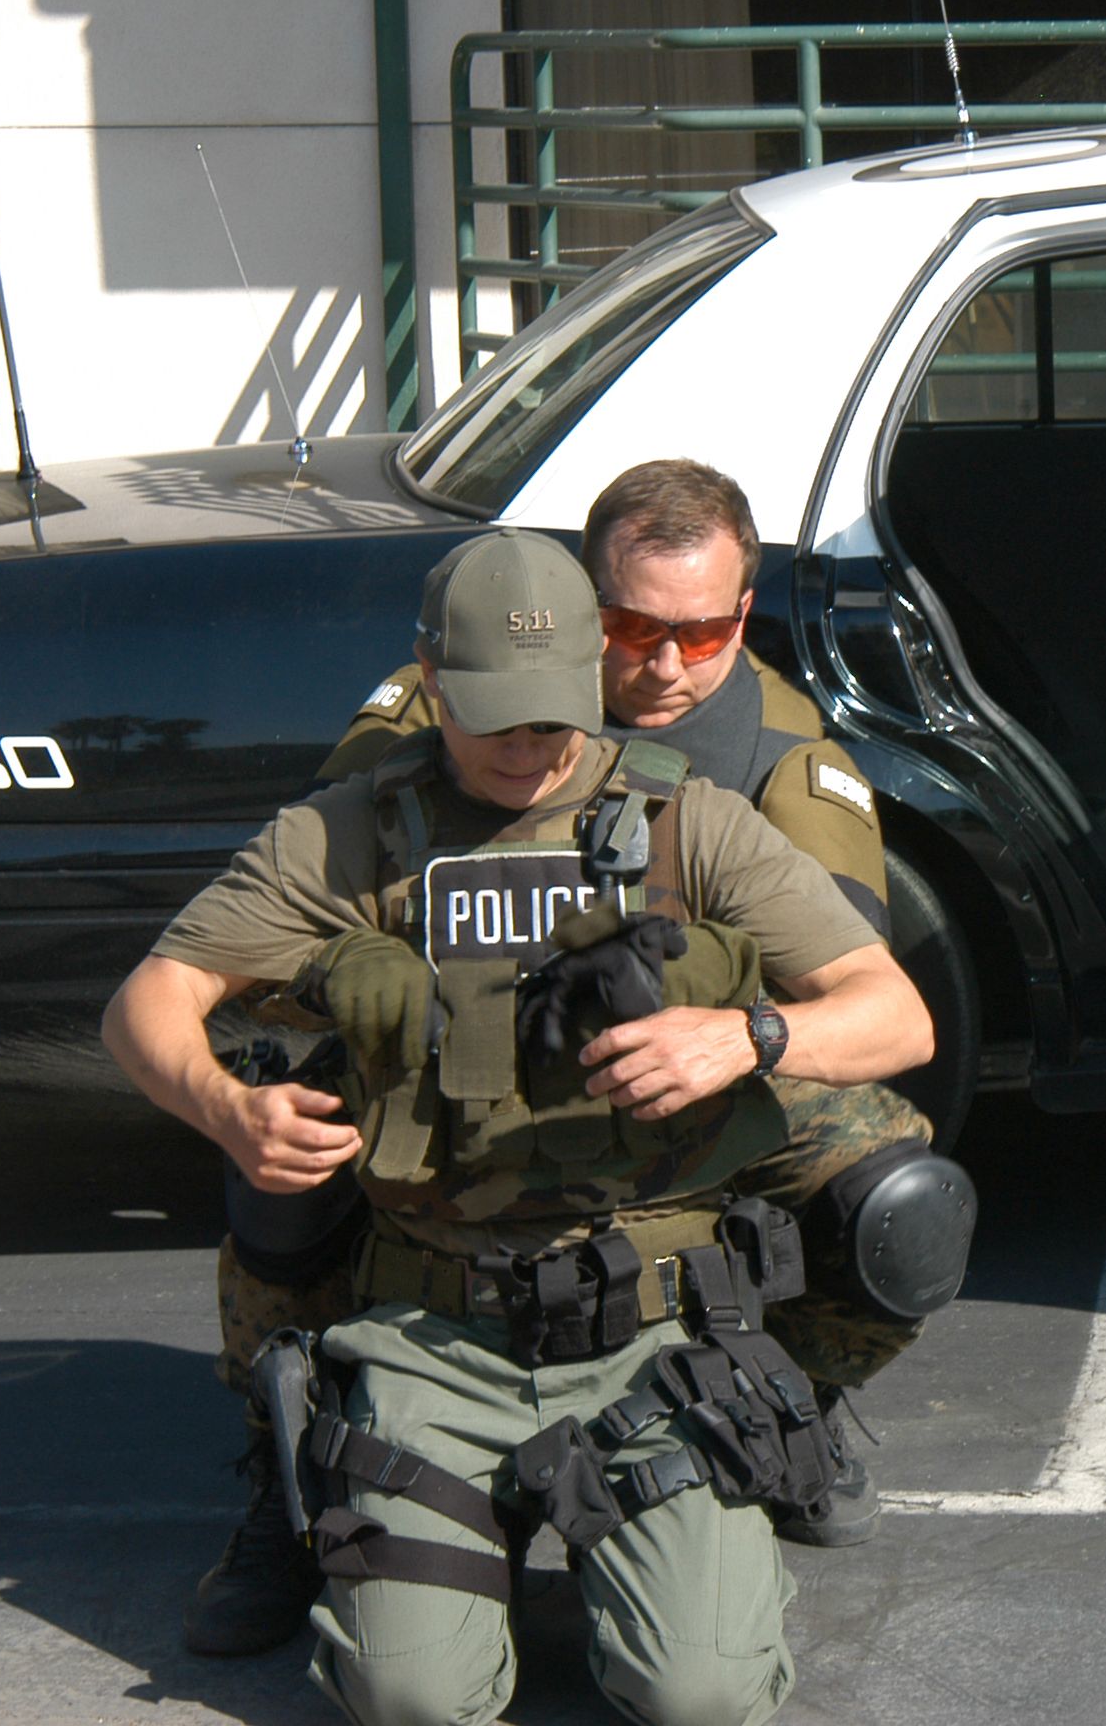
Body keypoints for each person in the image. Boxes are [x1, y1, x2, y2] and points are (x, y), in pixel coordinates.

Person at [109, 527, 937, 1724]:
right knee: (406, 1697)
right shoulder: (350, 832)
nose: (528, 747)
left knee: (696, 1694)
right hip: (433, 1332)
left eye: (553, 715)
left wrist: (745, 1036)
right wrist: (225, 1105)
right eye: (493, 712)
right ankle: (331, 1494)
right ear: (430, 678)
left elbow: (893, 1014)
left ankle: (753, 1452)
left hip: (652, 1334)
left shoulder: (685, 823)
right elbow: (148, 999)